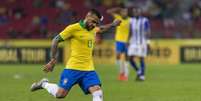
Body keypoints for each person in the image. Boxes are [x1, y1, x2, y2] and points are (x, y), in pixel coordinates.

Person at [30, 9, 121, 101]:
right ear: (87, 17)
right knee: (60, 94)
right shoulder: (73, 28)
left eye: (96, 23)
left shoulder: (93, 29)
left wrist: (113, 24)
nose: (94, 25)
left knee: (97, 92)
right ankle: (44, 84)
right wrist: (53, 60)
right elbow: (55, 40)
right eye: (93, 22)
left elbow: (101, 29)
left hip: (89, 70)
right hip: (73, 68)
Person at [107, 7, 130, 81]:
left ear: (127, 13)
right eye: (123, 12)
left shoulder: (130, 20)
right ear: (121, 12)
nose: (124, 13)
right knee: (118, 55)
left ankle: (126, 75)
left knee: (126, 58)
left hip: (126, 41)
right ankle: (121, 72)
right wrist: (118, 9)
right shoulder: (118, 17)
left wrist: (129, 40)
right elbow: (108, 11)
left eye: (125, 12)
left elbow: (132, 31)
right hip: (119, 40)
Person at [128, 7, 151, 81]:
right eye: (135, 12)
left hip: (142, 42)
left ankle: (142, 76)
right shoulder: (131, 20)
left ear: (140, 12)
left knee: (141, 58)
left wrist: (148, 42)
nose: (136, 13)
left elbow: (148, 31)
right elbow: (130, 31)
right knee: (130, 58)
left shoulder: (145, 20)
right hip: (133, 42)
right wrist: (128, 41)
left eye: (137, 11)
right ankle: (139, 71)